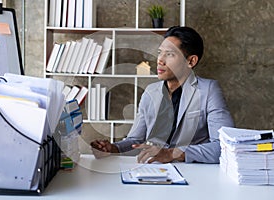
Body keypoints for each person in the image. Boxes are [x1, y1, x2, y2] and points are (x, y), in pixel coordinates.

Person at [90, 26, 234, 164]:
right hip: (154, 171)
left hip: (192, 173)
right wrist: (113, 149)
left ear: (191, 61)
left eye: (169, 54)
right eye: (160, 53)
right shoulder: (150, 91)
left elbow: (223, 146)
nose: (160, 60)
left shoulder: (209, 90)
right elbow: (136, 140)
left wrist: (173, 153)